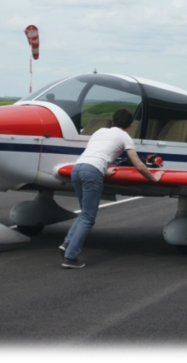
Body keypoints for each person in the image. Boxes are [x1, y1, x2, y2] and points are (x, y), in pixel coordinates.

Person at [60, 108, 163, 269]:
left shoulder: (100, 131)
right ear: (130, 125)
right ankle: (70, 258)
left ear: (114, 121)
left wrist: (104, 170)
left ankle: (67, 243)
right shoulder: (125, 136)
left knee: (85, 212)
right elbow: (139, 165)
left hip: (77, 168)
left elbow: (96, 154)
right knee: (88, 218)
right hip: (91, 172)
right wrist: (154, 178)